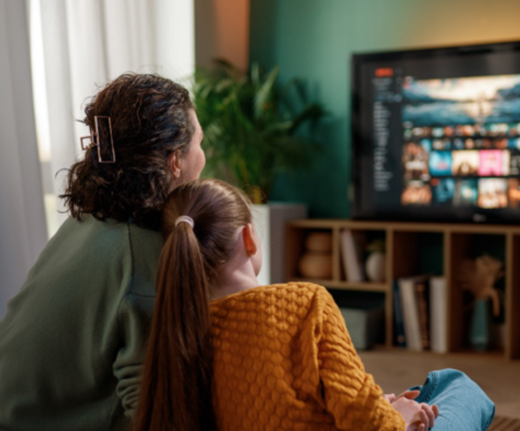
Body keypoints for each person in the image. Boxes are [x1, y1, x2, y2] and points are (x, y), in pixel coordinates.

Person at [134, 178, 495, 431]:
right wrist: (397, 416)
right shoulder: (304, 303)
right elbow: (366, 422)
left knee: (418, 394)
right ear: (249, 239)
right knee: (456, 385)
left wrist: (381, 406)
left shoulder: (177, 332)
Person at [0, 74, 205, 430]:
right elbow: (157, 413)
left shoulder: (84, 224)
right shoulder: (144, 258)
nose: (205, 156)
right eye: (201, 142)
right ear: (174, 161)